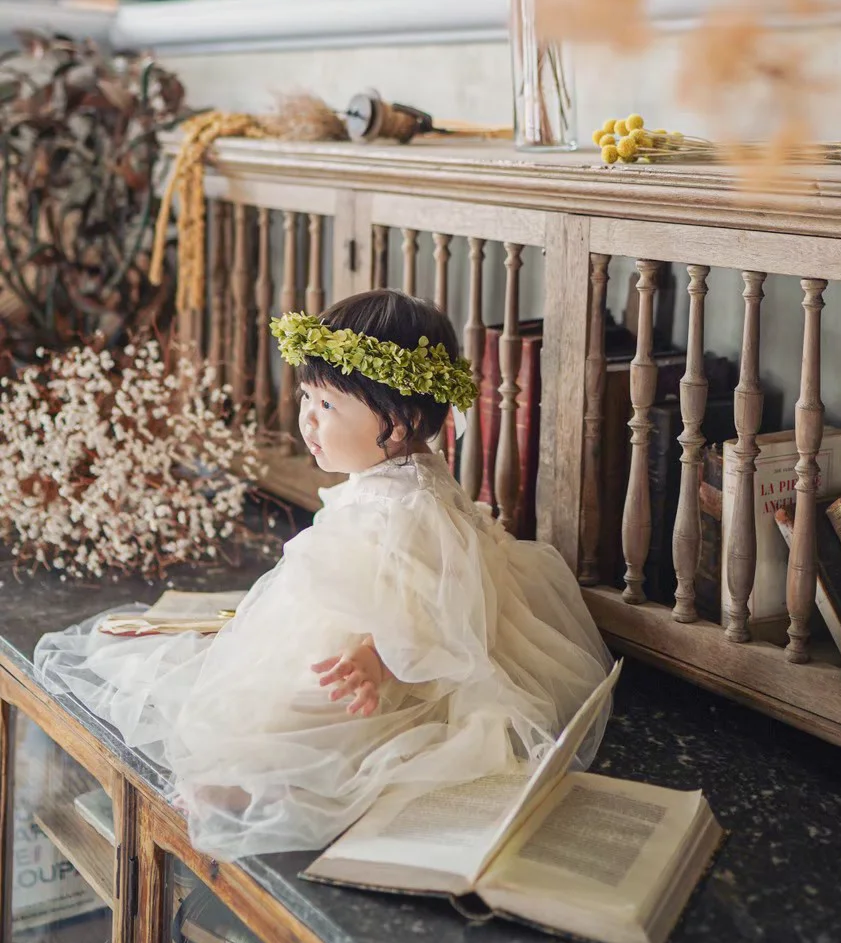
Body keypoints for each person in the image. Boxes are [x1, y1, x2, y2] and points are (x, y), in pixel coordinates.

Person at [35, 290, 612, 860]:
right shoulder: (392, 476)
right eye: (307, 396)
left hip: (396, 656)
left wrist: (378, 657)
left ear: (400, 420)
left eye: (329, 406)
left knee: (313, 712)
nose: (308, 419)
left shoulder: (412, 508)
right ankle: (256, 763)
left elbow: (438, 603)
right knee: (260, 682)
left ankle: (263, 779)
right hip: (352, 621)